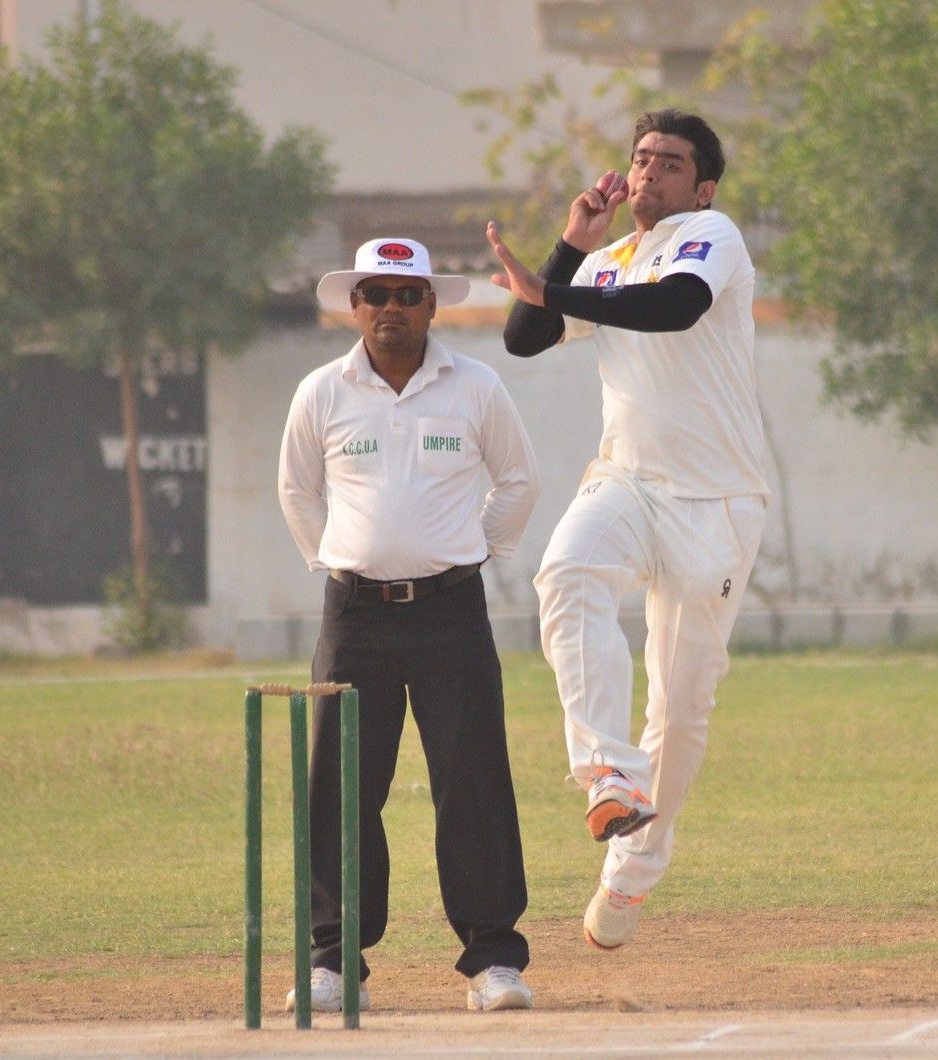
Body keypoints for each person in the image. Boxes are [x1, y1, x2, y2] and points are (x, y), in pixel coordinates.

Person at [486, 109, 768, 950]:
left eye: (669, 163)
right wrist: (570, 247)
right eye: (641, 159)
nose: (648, 173)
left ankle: (634, 870)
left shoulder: (712, 237)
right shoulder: (608, 261)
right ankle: (607, 771)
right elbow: (525, 337)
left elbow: (675, 307)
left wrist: (556, 287)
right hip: (627, 481)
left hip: (716, 502)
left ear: (702, 187)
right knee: (566, 571)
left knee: (680, 710)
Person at [277, 237, 540, 1012]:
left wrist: (467, 552)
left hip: (451, 610)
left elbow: (519, 482)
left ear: (431, 304)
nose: (390, 308)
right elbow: (297, 493)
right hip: (354, 614)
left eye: (405, 294)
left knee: (472, 780)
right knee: (341, 785)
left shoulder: (476, 386)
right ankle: (333, 962)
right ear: (354, 306)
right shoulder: (321, 392)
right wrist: (340, 561)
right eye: (375, 294)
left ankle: (493, 961)